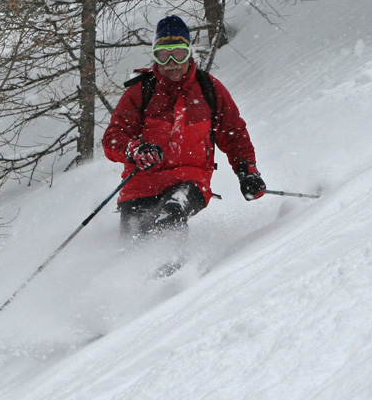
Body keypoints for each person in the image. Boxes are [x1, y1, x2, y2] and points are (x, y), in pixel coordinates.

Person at [102, 15, 266, 238]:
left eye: (178, 53)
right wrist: (136, 150)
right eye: (163, 54)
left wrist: (247, 170)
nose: (171, 62)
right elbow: (113, 137)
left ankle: (177, 268)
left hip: (190, 181)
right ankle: (133, 272)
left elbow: (234, 134)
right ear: (155, 56)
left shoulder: (209, 89)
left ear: (189, 52)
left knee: (172, 214)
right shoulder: (140, 92)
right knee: (133, 241)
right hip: (141, 186)